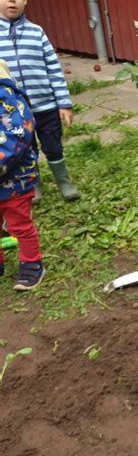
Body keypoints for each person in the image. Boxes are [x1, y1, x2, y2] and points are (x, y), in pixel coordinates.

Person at [0, 0, 80, 203]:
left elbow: (54, 69)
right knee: (25, 150)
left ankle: (63, 180)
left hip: (45, 107)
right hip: (13, 113)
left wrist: (63, 103)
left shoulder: (37, 33)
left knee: (53, 146)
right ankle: (32, 185)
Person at [0, 59, 45, 290]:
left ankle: (32, 263)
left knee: (19, 224)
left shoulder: (6, 98)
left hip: (14, 180)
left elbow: (18, 135)